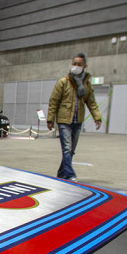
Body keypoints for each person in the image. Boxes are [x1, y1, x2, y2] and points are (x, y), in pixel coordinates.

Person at [46, 52, 103, 181]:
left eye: (79, 64)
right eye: (74, 63)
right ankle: (70, 174)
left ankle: (61, 174)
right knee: (67, 148)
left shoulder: (86, 85)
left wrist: (97, 117)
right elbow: (53, 101)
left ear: (84, 66)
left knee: (71, 150)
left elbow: (91, 103)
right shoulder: (63, 82)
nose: (76, 66)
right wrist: (50, 119)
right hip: (64, 120)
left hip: (78, 121)